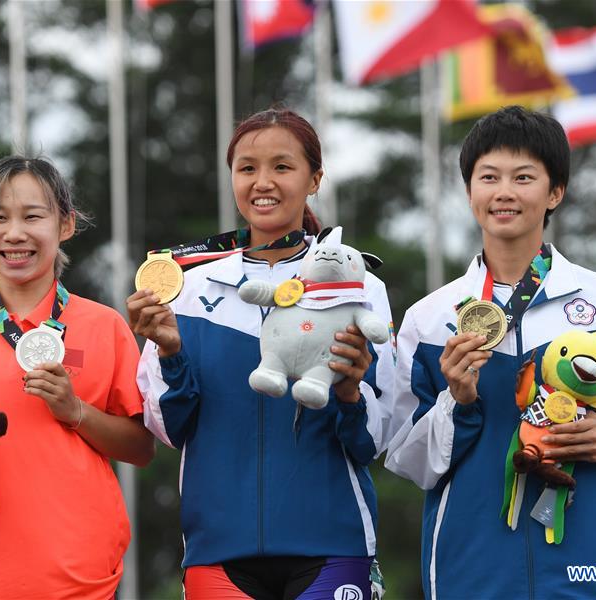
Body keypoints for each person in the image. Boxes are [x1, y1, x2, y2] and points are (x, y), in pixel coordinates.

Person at [385, 106, 596, 599]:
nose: (504, 192)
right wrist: (457, 401)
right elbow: (406, 458)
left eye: (523, 177)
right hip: (471, 569)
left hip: (590, 566)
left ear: (554, 192)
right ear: (470, 192)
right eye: (489, 176)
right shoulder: (431, 318)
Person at [128, 108, 396, 600]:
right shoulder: (187, 288)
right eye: (247, 168)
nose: (263, 182)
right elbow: (167, 429)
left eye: (282, 166)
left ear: (315, 179)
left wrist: (350, 391)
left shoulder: (359, 285)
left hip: (333, 543)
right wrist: (169, 354)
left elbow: (376, 439)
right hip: (218, 550)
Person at [0, 155, 155, 599]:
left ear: (65, 226)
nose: (14, 233)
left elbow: (140, 447)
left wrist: (75, 410)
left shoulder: (105, 325)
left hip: (81, 579)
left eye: (32, 216)